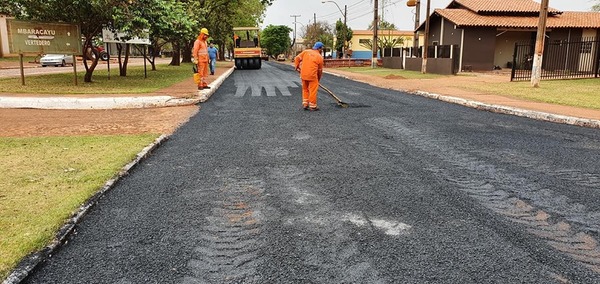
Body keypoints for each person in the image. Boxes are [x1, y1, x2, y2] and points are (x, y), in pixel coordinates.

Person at [294, 41, 324, 111]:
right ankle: (313, 105)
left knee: (305, 89)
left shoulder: (306, 52)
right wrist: (318, 80)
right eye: (322, 48)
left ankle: (305, 104)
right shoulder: (319, 57)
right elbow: (319, 71)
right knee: (313, 90)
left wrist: (296, 66)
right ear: (319, 49)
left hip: (303, 75)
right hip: (312, 76)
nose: (322, 50)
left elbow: (297, 59)